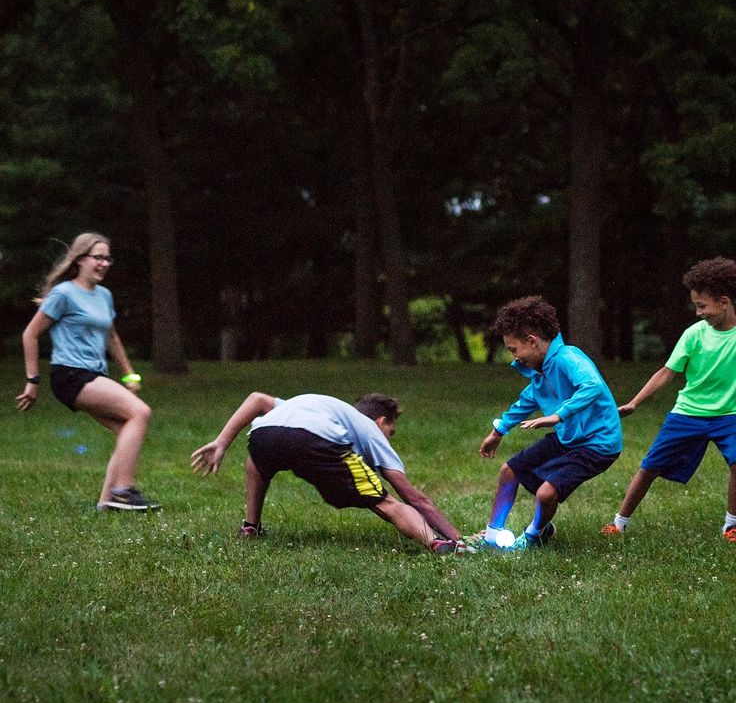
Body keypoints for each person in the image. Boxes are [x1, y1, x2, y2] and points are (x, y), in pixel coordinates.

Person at [191, 390, 469, 554]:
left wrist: (222, 442)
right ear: (381, 421)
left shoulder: (316, 406)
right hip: (319, 440)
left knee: (257, 461)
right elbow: (415, 498)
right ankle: (439, 545)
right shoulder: (371, 430)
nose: (389, 439)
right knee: (387, 503)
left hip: (264, 435)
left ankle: (250, 528)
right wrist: (459, 537)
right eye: (391, 432)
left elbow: (256, 399)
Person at [15, 232, 160, 511]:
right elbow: (30, 334)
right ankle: (123, 491)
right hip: (70, 375)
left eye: (108, 258)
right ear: (80, 260)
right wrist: (33, 380)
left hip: (95, 375)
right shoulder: (63, 294)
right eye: (98, 257)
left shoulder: (104, 295)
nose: (104, 263)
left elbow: (111, 336)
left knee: (127, 428)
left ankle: (107, 502)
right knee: (140, 413)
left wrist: (129, 373)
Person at [602, 257, 736, 541]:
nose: (698, 312)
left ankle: (731, 526)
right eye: (696, 306)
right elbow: (666, 372)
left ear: (724, 302)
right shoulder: (694, 335)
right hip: (687, 413)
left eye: (703, 306)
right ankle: (619, 522)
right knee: (649, 466)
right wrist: (635, 402)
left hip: (730, 416)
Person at [476, 296, 622, 550]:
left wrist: (558, 416)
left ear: (531, 341)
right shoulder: (541, 370)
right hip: (568, 438)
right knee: (508, 471)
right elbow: (526, 401)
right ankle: (491, 536)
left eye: (513, 349)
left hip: (598, 445)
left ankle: (534, 535)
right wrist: (498, 431)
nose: (514, 356)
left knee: (546, 493)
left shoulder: (567, 358)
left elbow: (592, 386)